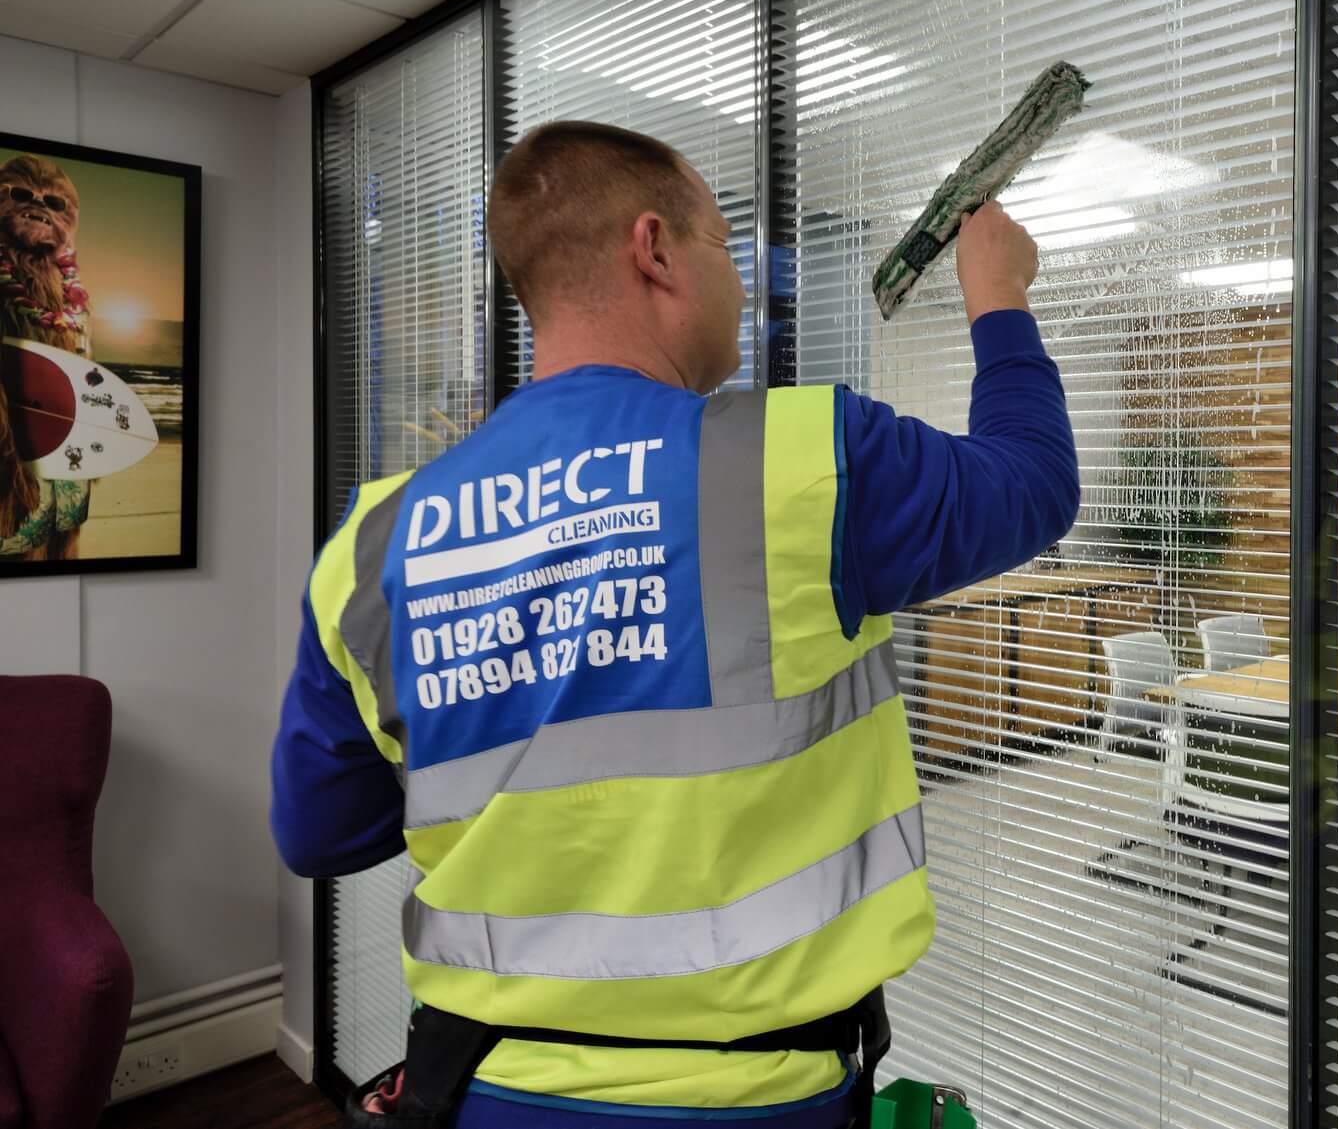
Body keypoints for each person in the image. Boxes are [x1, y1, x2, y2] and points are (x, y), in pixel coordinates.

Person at [271, 120, 1079, 1128]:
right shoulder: (803, 461)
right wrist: (997, 290)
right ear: (654, 249)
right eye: (723, 251)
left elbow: (321, 831)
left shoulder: (373, 542)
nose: (741, 288)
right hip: (761, 1098)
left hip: (484, 1093)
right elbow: (1036, 485)